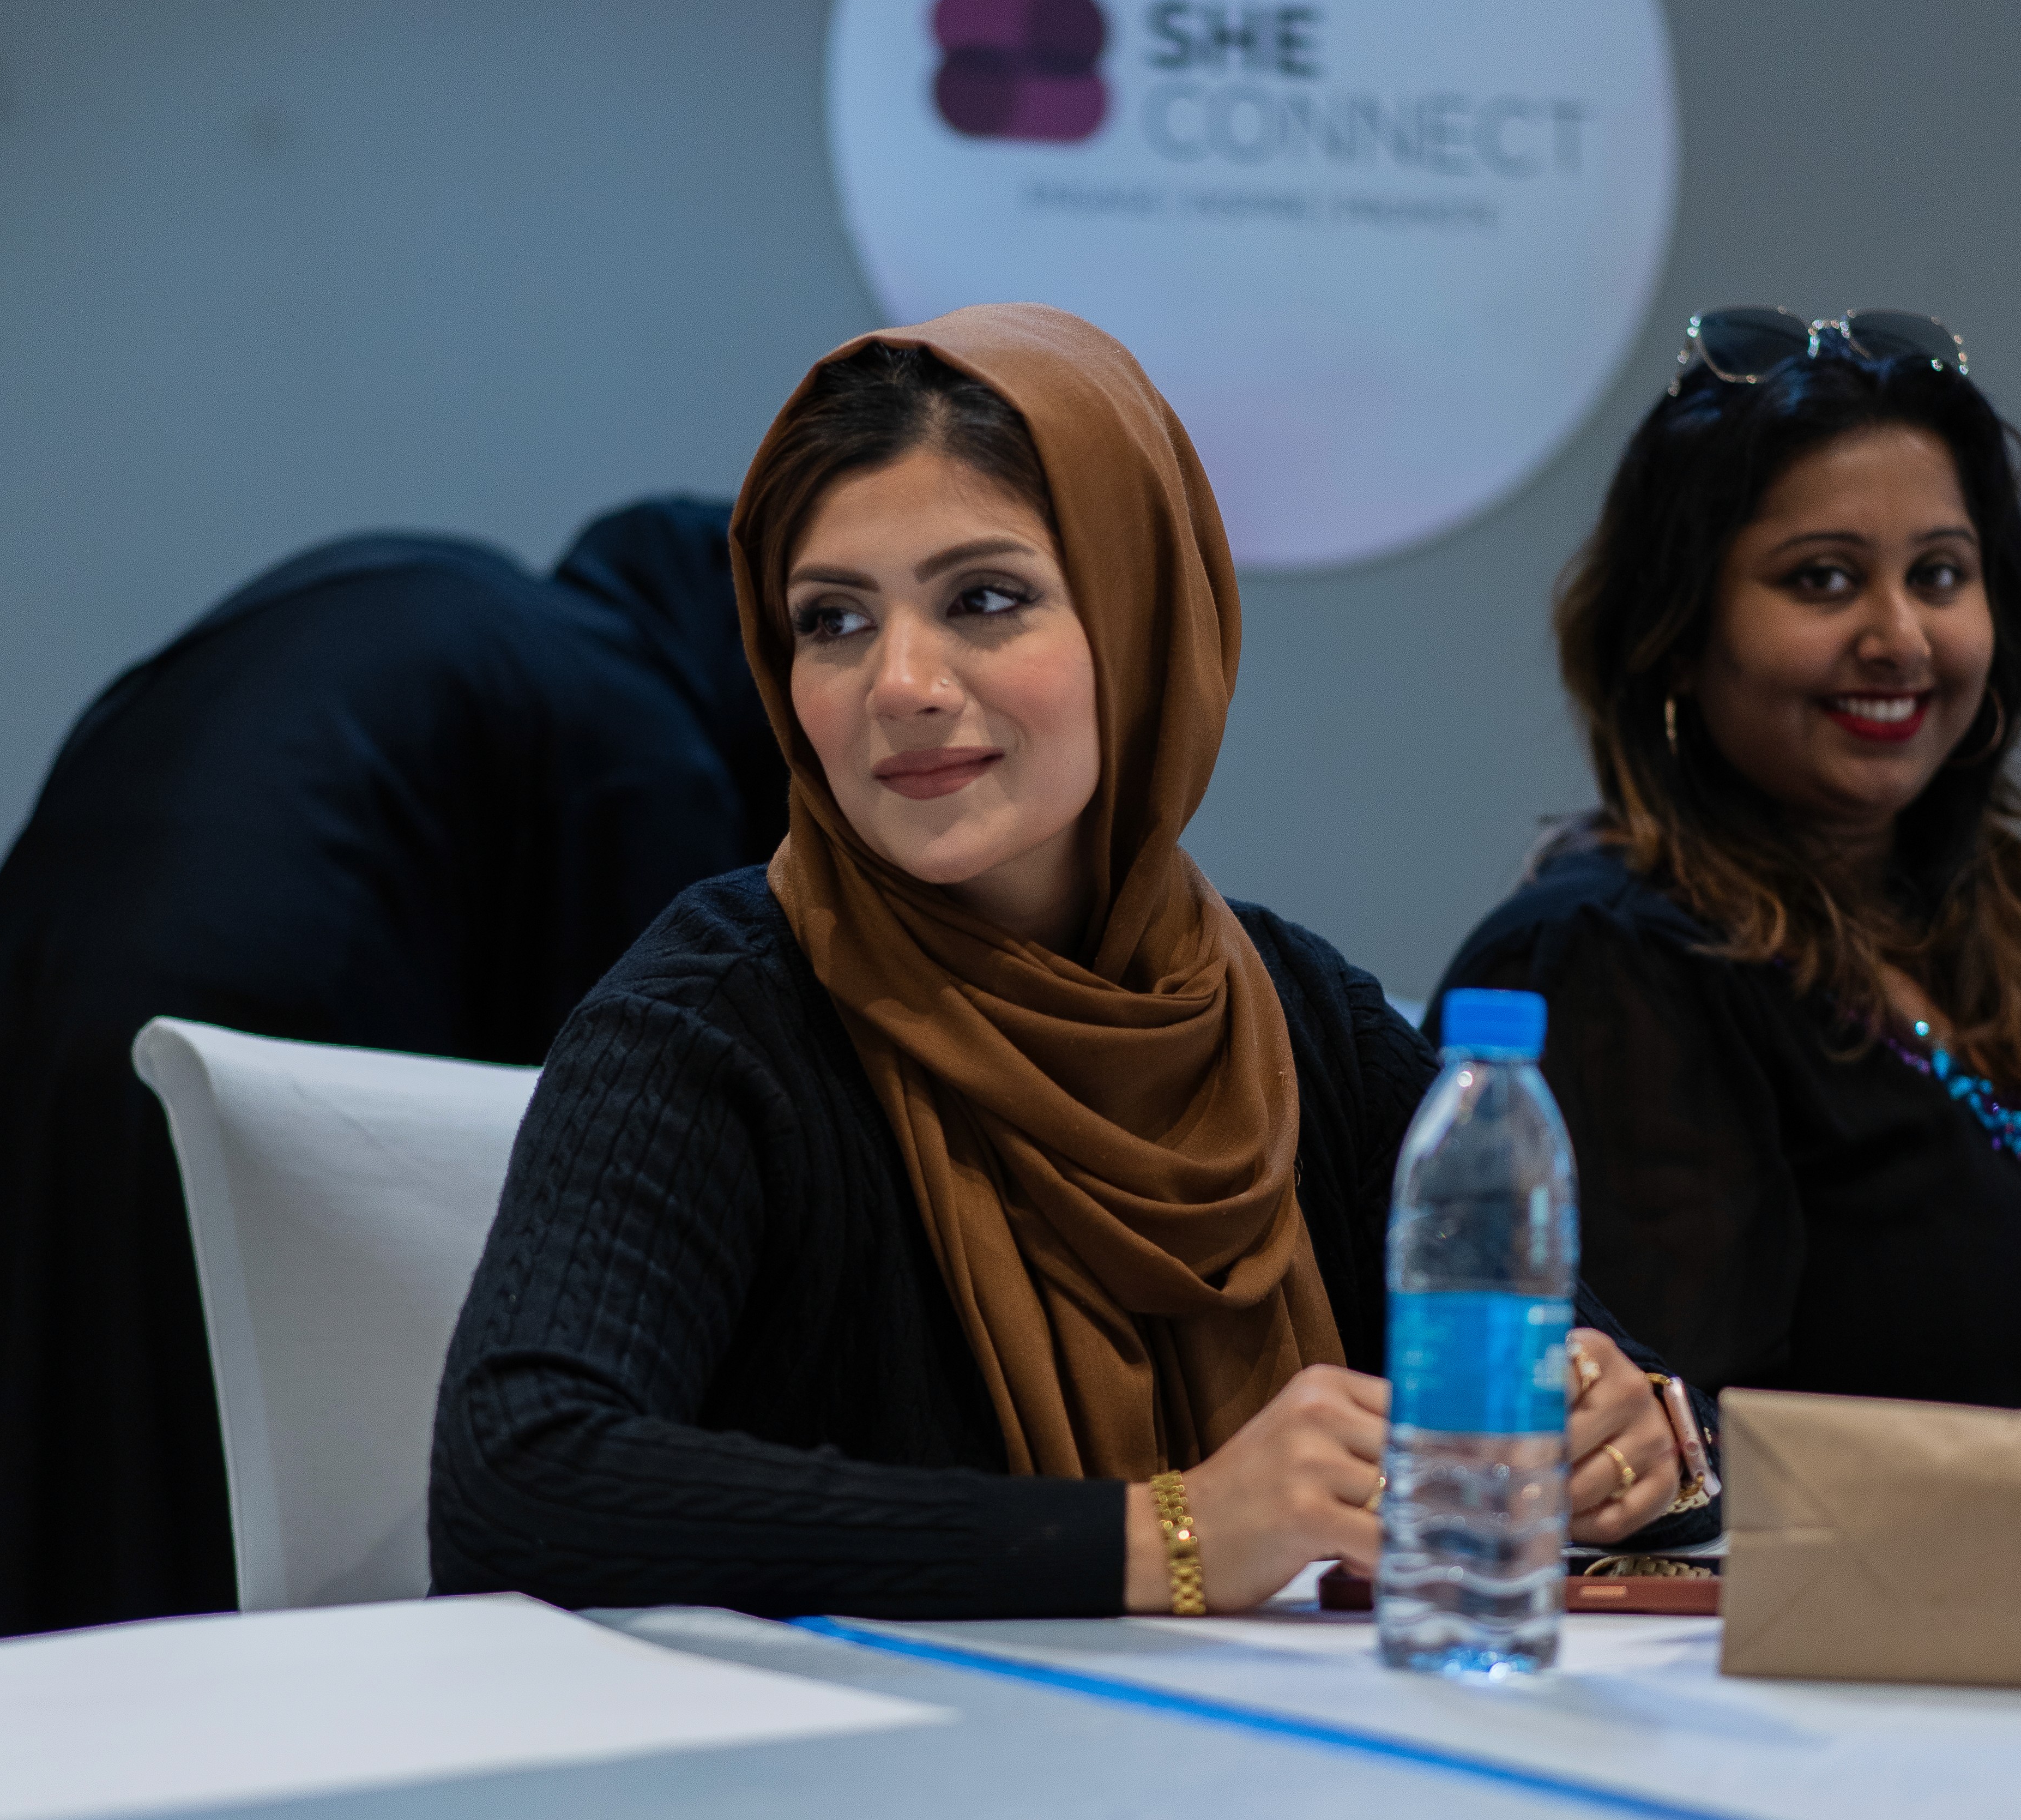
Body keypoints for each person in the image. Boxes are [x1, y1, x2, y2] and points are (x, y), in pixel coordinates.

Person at [432, 306, 1715, 1620]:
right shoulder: (715, 1015)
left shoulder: (1290, 1015)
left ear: (1144, 619)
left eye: (982, 600)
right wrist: (1166, 1536)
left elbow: (1596, 1379)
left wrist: (1632, 1441)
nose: (901, 685)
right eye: (832, 621)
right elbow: (520, 1484)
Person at [0, 499, 787, 1636]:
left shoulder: (448, 589)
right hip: (251, 1013)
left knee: (70, 1426)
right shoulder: (642, 735)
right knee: (222, 1461)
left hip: (21, 987)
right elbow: (616, 1100)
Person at [1435, 308, 2021, 1409]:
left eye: (1940, 576)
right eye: (1820, 579)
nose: (1898, 637)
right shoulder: (1601, 965)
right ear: (1675, 634)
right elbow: (1663, 1468)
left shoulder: (2018, 937)